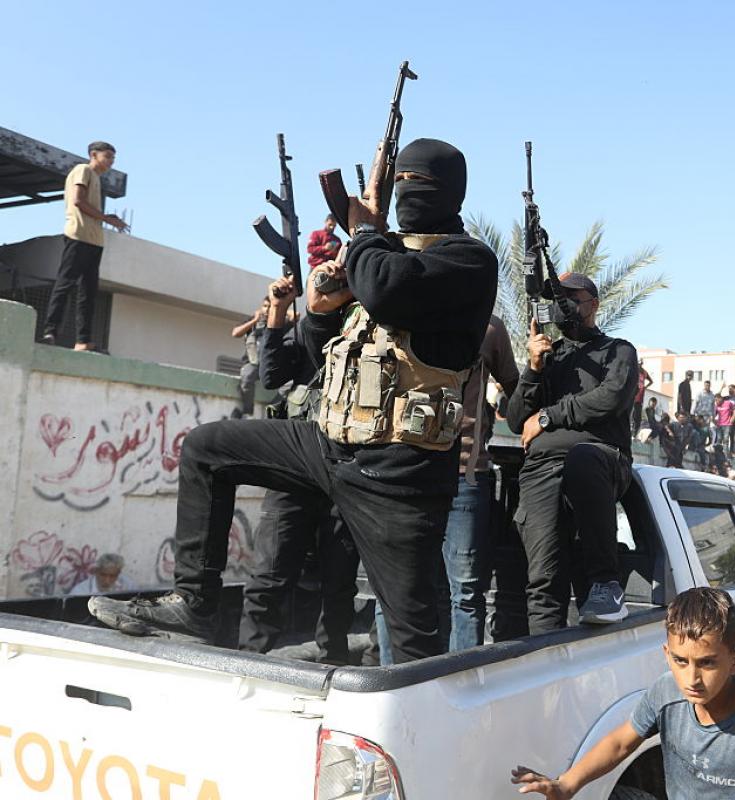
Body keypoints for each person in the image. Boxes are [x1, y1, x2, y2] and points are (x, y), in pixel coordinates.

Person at [88, 138, 498, 664]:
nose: (404, 192)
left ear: (451, 192)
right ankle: (194, 603)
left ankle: (425, 710)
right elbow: (310, 358)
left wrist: (365, 234)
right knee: (207, 448)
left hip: (399, 474)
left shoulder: (466, 260)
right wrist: (322, 310)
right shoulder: (384, 255)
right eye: (398, 181)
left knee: (413, 638)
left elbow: (388, 288)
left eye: (416, 183)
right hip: (329, 445)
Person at [511, 587, 735, 800]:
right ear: (667, 654)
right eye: (680, 661)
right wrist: (566, 785)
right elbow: (620, 742)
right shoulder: (665, 693)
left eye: (707, 663)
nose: (692, 678)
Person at [235, 273, 361, 665]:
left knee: (339, 580)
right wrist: (277, 310)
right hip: (294, 469)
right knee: (270, 572)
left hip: (343, 469)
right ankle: (249, 662)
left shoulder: (368, 329)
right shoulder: (309, 327)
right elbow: (272, 375)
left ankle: (333, 660)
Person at [507, 272, 639, 632]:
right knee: (544, 581)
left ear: (593, 305)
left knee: (582, 457)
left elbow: (610, 397)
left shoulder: (618, 350)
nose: (561, 307)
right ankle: (545, 658)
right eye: (556, 300)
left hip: (600, 461)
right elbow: (517, 419)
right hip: (541, 472)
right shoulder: (549, 356)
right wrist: (533, 368)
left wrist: (549, 416)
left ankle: (605, 585)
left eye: (570, 299)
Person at [438, 314, 519, 651]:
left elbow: (517, 395)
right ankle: (399, 678)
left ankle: (461, 678)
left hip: (464, 476)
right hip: (408, 475)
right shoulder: (405, 307)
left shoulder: (489, 327)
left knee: (466, 592)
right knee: (399, 590)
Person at [41, 141, 129, 351]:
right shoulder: (83, 170)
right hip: (78, 236)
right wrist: (107, 219)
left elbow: (90, 208)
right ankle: (50, 332)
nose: (111, 161)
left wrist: (107, 218)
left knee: (88, 292)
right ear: (94, 155)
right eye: (107, 156)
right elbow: (78, 201)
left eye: (113, 158)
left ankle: (83, 340)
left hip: (94, 240)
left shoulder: (97, 178)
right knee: (65, 284)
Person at [230, 297, 271, 417]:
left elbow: (296, 316)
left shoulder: (277, 323)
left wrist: (279, 309)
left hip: (268, 366)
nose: (267, 309)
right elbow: (235, 333)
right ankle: (248, 412)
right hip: (253, 364)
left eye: (270, 307)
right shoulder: (253, 322)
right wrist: (254, 320)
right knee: (247, 375)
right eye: (265, 306)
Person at [630, 360, 653, 432]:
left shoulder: (642, 372)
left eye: (640, 364)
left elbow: (651, 381)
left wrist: (645, 387)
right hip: (635, 394)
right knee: (634, 413)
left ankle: (635, 429)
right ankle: (633, 428)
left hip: (639, 395)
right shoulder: (635, 371)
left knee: (637, 413)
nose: (639, 365)